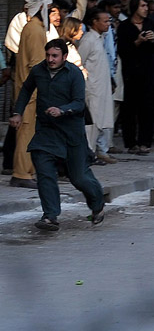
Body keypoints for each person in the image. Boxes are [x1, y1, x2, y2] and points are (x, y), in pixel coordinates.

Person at [10, 39, 105, 231]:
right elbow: (26, 89)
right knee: (44, 171)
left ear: (64, 56)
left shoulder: (74, 74)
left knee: (79, 177)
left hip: (71, 133)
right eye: (48, 55)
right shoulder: (38, 70)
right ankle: (50, 216)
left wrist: (62, 110)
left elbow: (79, 103)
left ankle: (97, 204)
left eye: (55, 56)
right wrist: (18, 112)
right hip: (47, 131)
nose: (51, 60)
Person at [10, 0, 53, 189]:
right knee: (26, 132)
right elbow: (37, 66)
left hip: (29, 91)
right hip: (31, 94)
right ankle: (21, 173)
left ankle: (27, 171)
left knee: (28, 132)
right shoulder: (35, 30)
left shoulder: (32, 27)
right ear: (42, 7)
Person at [117, 0, 154, 154]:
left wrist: (152, 40)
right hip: (131, 73)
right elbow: (123, 50)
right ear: (135, 7)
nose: (146, 9)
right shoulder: (125, 26)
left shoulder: (151, 24)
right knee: (129, 109)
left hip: (148, 72)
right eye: (143, 6)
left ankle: (145, 142)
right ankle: (130, 142)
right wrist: (137, 42)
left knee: (147, 108)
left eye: (146, 6)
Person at [79, 9, 117, 164]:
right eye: (105, 21)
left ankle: (93, 153)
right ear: (95, 22)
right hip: (92, 88)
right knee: (91, 123)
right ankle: (87, 155)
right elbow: (79, 62)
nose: (108, 24)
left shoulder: (100, 39)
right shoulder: (88, 40)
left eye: (109, 21)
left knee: (99, 122)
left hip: (101, 88)